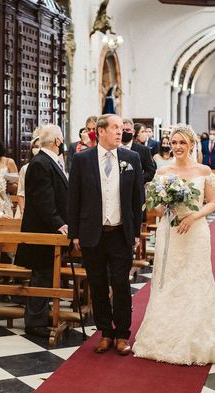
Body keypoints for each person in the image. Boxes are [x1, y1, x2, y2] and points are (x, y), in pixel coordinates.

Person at [132, 124, 215, 365]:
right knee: (168, 278)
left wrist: (194, 216)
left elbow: (212, 202)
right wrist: (163, 205)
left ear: (191, 145)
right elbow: (156, 209)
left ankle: (196, 337)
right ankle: (164, 336)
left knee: (195, 278)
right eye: (173, 143)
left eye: (181, 143)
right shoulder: (163, 172)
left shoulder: (203, 170)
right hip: (170, 231)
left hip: (196, 230)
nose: (177, 147)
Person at [67, 114, 144, 355]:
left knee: (120, 283)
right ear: (100, 131)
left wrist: (137, 231)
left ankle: (122, 333)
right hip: (92, 232)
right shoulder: (82, 159)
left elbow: (137, 198)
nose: (120, 132)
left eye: (121, 128)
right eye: (114, 128)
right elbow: (74, 198)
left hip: (120, 233)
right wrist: (74, 232)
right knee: (98, 284)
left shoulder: (132, 158)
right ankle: (105, 332)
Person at [15, 124, 69, 338]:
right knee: (41, 275)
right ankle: (34, 322)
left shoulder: (48, 161)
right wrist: (59, 223)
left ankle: (40, 313)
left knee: (45, 274)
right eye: (62, 139)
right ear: (57, 141)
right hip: (43, 232)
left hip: (48, 230)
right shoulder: (40, 163)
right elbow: (43, 200)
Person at [16, 127, 41, 218]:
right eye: (36, 147)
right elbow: (21, 193)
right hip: (27, 209)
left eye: (41, 147)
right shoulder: (25, 168)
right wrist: (23, 212)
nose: (38, 149)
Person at [122, 118, 156, 184]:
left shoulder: (143, 150)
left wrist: (138, 180)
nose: (125, 132)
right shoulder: (113, 148)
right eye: (122, 130)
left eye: (128, 130)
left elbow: (150, 171)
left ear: (133, 132)